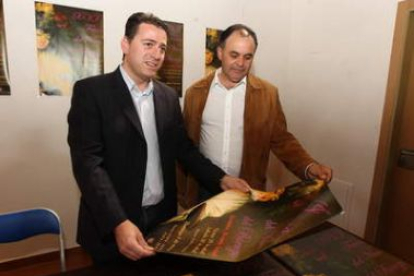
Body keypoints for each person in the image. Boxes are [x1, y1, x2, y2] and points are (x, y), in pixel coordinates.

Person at [67, 13, 249, 264]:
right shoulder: (91, 92)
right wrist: (118, 222)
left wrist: (222, 178)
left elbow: (184, 150)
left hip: (161, 221)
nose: (156, 54)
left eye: (162, 48)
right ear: (125, 44)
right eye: (148, 44)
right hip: (113, 225)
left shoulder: (168, 97)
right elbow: (89, 166)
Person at [177, 24, 332, 209]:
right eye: (234, 55)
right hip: (203, 189)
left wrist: (309, 167)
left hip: (247, 190)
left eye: (247, 57)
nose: (240, 63)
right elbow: (186, 146)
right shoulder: (195, 93)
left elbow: (282, 140)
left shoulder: (268, 94)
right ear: (220, 52)